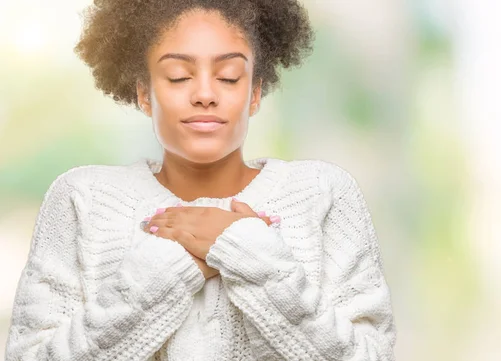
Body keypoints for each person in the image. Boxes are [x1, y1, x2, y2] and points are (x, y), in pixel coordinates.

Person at [4, 0, 397, 360]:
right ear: (144, 93)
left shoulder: (322, 193)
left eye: (228, 77)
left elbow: (370, 354)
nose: (205, 94)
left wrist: (249, 255)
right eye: (178, 76)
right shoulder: (83, 199)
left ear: (255, 93)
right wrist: (168, 269)